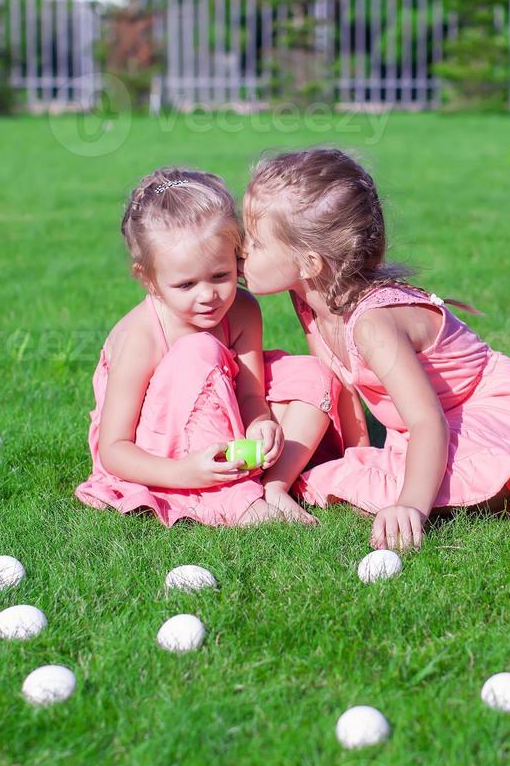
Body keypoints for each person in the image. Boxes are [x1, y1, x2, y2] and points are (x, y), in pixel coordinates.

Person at [241, 148, 510, 550]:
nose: (242, 251)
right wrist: (308, 474)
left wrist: (412, 508)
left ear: (310, 263)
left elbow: (427, 421)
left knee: (457, 475)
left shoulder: (373, 325)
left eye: (257, 242)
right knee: (356, 478)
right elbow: (340, 392)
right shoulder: (310, 301)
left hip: (475, 407)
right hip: (423, 421)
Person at [75, 167, 341, 527]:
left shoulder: (243, 310)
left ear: (236, 257)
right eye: (185, 285)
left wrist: (260, 420)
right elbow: (114, 450)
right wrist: (185, 472)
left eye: (221, 276)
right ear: (149, 280)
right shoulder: (142, 336)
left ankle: (275, 484)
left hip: (222, 423)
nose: (208, 297)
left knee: (312, 373)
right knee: (199, 350)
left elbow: (250, 393)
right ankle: (235, 500)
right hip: (161, 451)